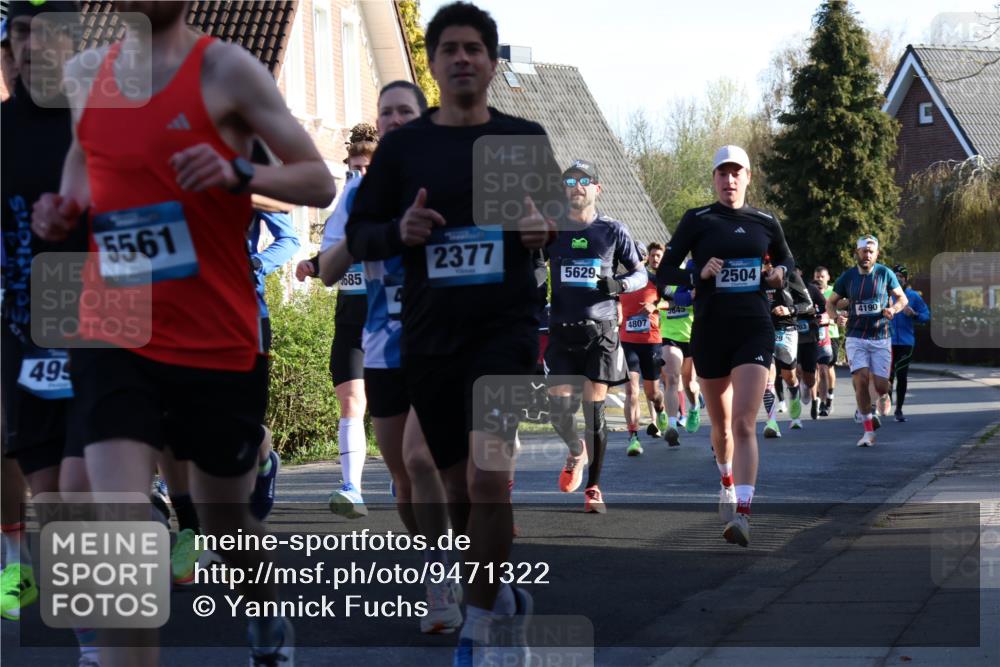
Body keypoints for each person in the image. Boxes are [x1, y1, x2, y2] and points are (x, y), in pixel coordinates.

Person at [32, 2, 337, 664]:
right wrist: (65, 208)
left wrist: (241, 172)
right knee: (119, 526)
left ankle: (265, 617)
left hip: (213, 337)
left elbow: (319, 182)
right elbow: (84, 161)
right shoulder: (86, 75)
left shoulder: (227, 70)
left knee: (223, 523)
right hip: (114, 331)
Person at [345, 3, 563, 664]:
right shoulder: (405, 149)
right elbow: (360, 235)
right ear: (434, 66)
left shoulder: (521, 138)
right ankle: (494, 596)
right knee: (459, 488)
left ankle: (479, 630)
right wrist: (398, 232)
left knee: (489, 477)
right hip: (431, 337)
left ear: (492, 64)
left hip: (504, 330)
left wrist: (543, 229)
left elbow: (558, 220)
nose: (463, 58)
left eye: (474, 48)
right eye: (450, 49)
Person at [319, 80, 463, 635]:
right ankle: (441, 562)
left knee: (423, 460)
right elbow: (330, 271)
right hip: (384, 349)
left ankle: (444, 581)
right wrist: (370, 235)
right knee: (404, 482)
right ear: (378, 126)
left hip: (441, 345)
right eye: (387, 113)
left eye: (406, 110)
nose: (396, 119)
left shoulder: (446, 178)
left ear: (421, 118)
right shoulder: (360, 195)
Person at [0, 10, 93, 660]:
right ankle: (96, 640)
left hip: (104, 315)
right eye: (18, 34)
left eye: (42, 30)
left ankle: (112, 639)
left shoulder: (100, 120)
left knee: (95, 483)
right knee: (55, 495)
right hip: (25, 325)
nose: (29, 46)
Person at [656, 145, 794, 548]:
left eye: (736, 173)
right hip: (711, 331)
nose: (729, 180)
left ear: (748, 177)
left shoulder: (765, 221)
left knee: (744, 422)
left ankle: (744, 514)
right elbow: (664, 272)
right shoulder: (697, 219)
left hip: (754, 328)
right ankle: (727, 481)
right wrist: (697, 273)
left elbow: (787, 262)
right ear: (714, 179)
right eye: (722, 173)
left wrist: (779, 274)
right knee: (720, 427)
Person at [544, 158, 643, 500]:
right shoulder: (553, 230)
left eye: (583, 181)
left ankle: (593, 487)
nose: (577, 187)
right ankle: (576, 451)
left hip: (600, 331)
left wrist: (620, 285)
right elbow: (532, 264)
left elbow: (640, 273)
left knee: (594, 412)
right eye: (570, 182)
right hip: (562, 330)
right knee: (559, 412)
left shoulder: (613, 230)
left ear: (597, 188)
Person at [296, 123, 378, 519]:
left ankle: (408, 471)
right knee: (351, 401)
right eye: (353, 168)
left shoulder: (393, 206)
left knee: (398, 410)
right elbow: (332, 257)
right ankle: (352, 488)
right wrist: (312, 265)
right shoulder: (341, 214)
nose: (358, 174)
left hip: (390, 322)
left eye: (366, 168)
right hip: (350, 320)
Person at [825, 236, 907, 447]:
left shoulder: (885, 274)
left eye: (871, 251)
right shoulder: (848, 277)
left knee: (880, 385)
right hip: (856, 336)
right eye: (864, 251)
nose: (867, 255)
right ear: (857, 253)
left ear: (877, 254)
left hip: (881, 337)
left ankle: (884, 394)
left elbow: (902, 298)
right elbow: (830, 303)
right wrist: (836, 317)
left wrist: (893, 309)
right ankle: (868, 431)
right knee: (860, 380)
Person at [620, 241, 669, 455]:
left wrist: (655, 305)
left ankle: (660, 409)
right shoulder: (620, 282)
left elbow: (673, 301)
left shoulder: (655, 280)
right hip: (627, 341)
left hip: (651, 342)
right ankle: (633, 437)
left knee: (652, 393)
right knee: (631, 390)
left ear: (643, 259)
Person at [760, 256, 814, 436]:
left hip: (787, 330)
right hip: (764, 330)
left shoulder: (791, 276)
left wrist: (789, 310)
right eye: (764, 262)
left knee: (789, 377)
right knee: (767, 377)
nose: (767, 266)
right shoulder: (757, 278)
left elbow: (808, 304)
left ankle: (795, 405)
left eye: (770, 262)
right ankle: (771, 422)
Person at [659, 258, 702, 442]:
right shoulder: (661, 284)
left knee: (690, 384)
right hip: (670, 337)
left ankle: (694, 407)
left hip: (691, 337)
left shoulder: (689, 281)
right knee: (672, 378)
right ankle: (672, 425)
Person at [888, 264, 929, 422]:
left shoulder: (913, 296)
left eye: (901, 276)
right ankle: (886, 402)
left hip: (906, 342)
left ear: (905, 279)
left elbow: (926, 315)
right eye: (895, 276)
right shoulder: (885, 294)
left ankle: (899, 409)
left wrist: (914, 314)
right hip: (887, 341)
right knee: (888, 376)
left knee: (902, 375)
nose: (898, 279)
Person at [796, 266, 827, 420]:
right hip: (792, 335)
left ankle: (814, 399)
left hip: (810, 335)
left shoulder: (811, 289)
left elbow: (823, 305)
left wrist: (817, 313)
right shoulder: (783, 289)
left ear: (800, 273)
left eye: (795, 272)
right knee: (796, 369)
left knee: (810, 373)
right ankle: (802, 385)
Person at [813, 265, 840, 414]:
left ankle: (829, 398)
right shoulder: (810, 291)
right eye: (817, 277)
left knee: (828, 368)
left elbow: (840, 313)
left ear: (828, 277)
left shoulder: (833, 292)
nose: (820, 279)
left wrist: (830, 320)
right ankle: (818, 399)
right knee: (817, 369)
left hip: (831, 334)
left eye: (822, 276)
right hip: (815, 336)